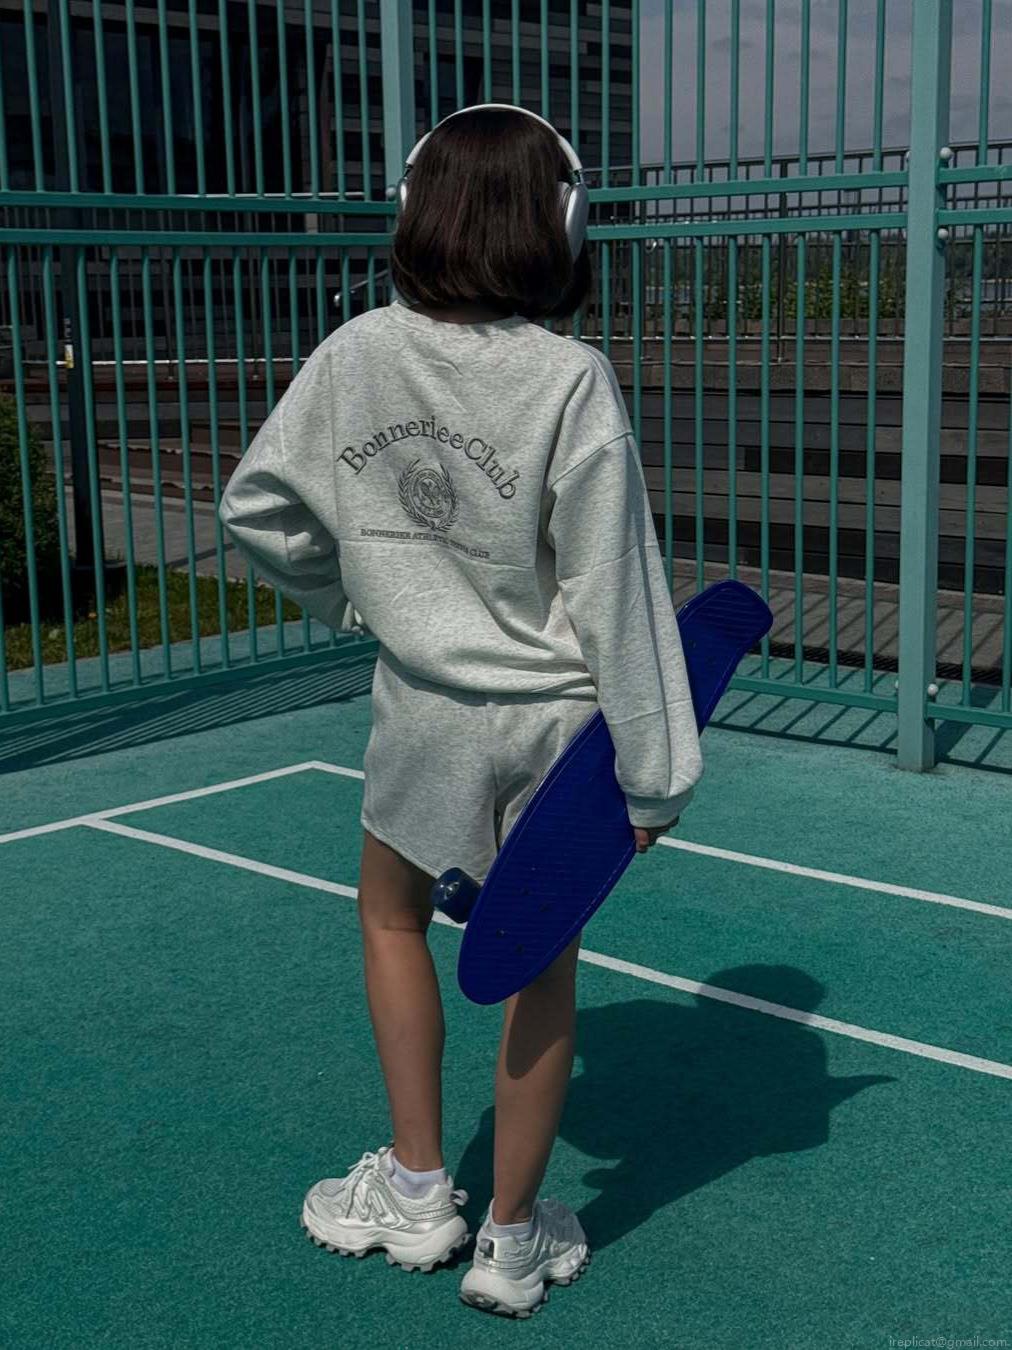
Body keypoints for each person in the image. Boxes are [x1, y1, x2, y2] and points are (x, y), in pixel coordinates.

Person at [217, 103, 703, 1319]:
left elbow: (257, 510)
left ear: (411, 207)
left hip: (424, 709)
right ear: (564, 220)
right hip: (557, 729)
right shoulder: (569, 377)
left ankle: (418, 1185)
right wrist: (654, 774)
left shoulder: (354, 355)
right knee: (540, 967)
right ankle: (511, 1238)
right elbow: (614, 586)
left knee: (392, 918)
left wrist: (354, 594)